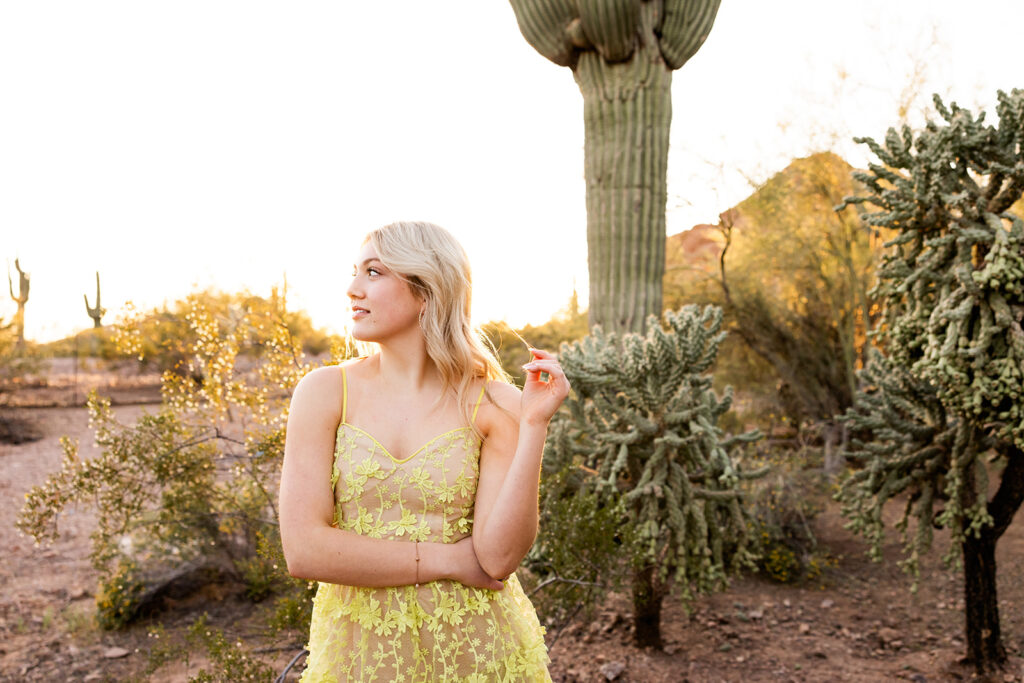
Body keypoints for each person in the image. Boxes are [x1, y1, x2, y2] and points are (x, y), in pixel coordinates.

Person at [278, 221, 570, 681]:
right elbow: (303, 550)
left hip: (478, 650)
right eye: (355, 271)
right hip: (358, 654)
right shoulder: (324, 392)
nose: (352, 288)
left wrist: (534, 424)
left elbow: (498, 559)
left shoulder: (496, 404)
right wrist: (448, 559)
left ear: (427, 291)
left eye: (373, 272)